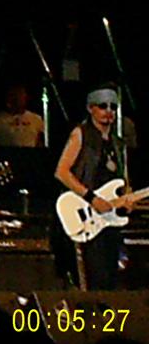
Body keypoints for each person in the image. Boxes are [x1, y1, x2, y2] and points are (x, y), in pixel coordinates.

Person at [55, 83, 133, 290]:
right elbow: (61, 172)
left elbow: (124, 180)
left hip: (109, 220)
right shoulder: (80, 134)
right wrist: (91, 198)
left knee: (111, 278)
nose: (108, 111)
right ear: (91, 108)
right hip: (86, 211)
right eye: (102, 105)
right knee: (92, 277)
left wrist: (128, 198)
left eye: (113, 106)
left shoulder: (118, 143)